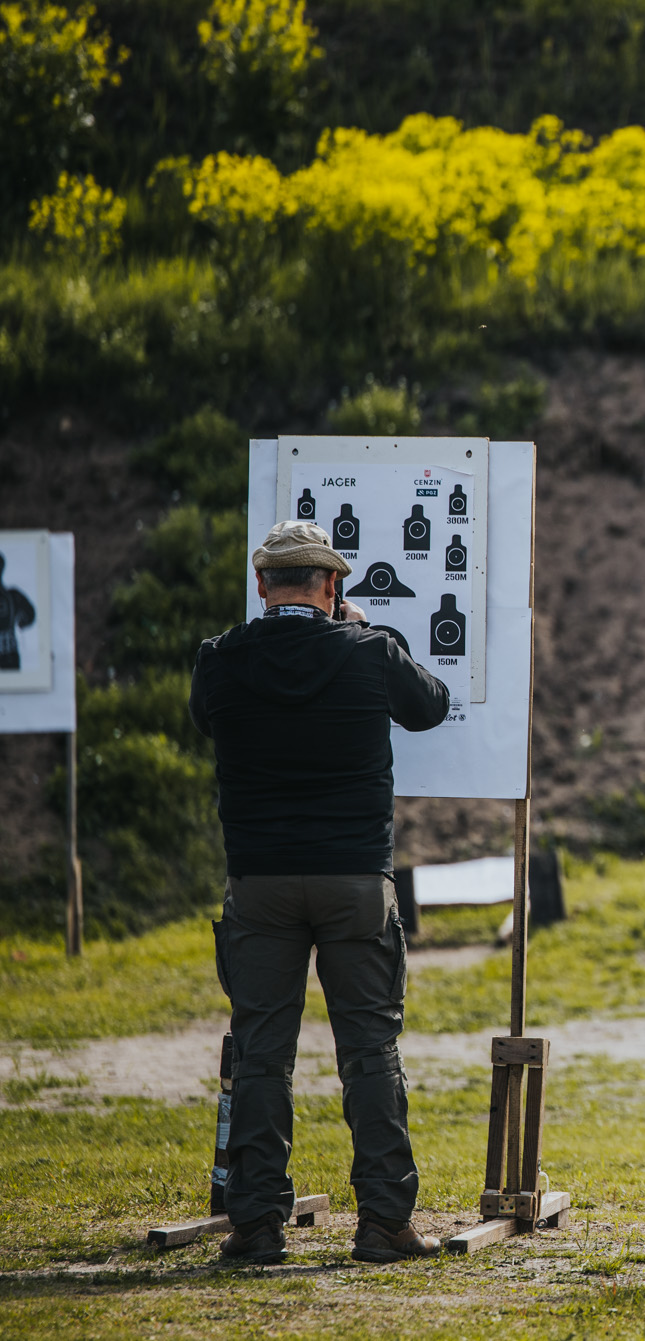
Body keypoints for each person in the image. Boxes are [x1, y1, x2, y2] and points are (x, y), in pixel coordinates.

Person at [189, 522, 452, 1265]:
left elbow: (204, 718)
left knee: (262, 1058)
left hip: (261, 881)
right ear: (333, 589)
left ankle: (257, 1225)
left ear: (262, 587)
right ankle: (384, 1222)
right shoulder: (368, 652)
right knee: (370, 1053)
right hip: (353, 881)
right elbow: (430, 704)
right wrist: (371, 633)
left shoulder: (222, 659)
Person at [0, 549, 34, 671]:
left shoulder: (13, 596)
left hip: (9, 653)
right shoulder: (13, 596)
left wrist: (22, 623)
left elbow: (30, 614)